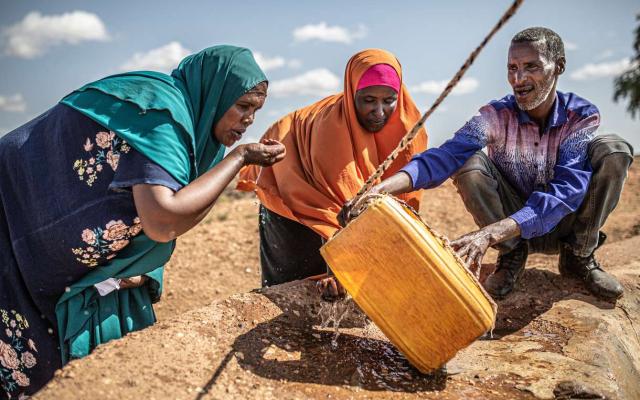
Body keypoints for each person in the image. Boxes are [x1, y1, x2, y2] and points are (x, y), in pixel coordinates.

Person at [0, 45, 285, 397]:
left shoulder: (186, 131)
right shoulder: (161, 113)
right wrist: (241, 157)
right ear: (214, 92)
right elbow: (163, 219)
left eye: (256, 110)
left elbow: (173, 214)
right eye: (242, 106)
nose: (249, 120)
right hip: (13, 214)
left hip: (42, 239)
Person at [341, 27, 633, 301]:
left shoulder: (579, 116)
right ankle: (512, 256)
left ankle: (579, 255)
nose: (519, 79)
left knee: (613, 150)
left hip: (563, 224)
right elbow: (445, 156)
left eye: (531, 67)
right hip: (511, 229)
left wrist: (489, 233)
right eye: (512, 68)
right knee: (467, 160)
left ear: (558, 66)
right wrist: (381, 189)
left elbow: (565, 193)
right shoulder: (495, 116)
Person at [237, 49, 427, 293]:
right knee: (291, 284)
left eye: (389, 100)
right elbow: (339, 203)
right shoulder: (332, 129)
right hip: (290, 179)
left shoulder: (411, 129)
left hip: (333, 196)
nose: (379, 112)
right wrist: (336, 270)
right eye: (368, 100)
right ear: (351, 93)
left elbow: (404, 200)